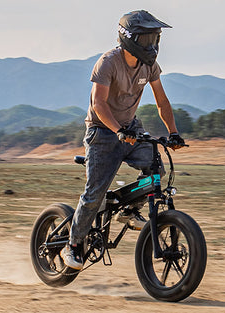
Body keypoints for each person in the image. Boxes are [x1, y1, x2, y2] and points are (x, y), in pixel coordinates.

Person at [61, 10, 185, 270]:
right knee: (94, 195)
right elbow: (99, 104)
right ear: (130, 38)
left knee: (155, 171)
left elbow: (162, 101)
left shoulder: (149, 65)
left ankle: (129, 211)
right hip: (102, 133)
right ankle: (72, 244)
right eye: (147, 38)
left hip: (129, 129)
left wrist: (173, 132)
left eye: (155, 38)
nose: (152, 45)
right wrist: (118, 130)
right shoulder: (108, 62)